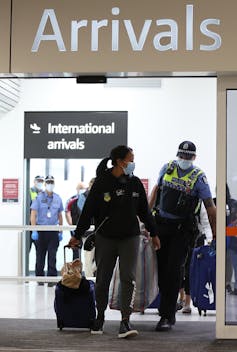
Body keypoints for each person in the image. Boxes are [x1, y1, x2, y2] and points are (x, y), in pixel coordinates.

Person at [68, 145, 160, 338]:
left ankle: (125, 321)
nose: (133, 163)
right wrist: (77, 234)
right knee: (103, 279)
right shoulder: (102, 182)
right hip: (106, 238)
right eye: (131, 159)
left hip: (130, 238)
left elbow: (144, 211)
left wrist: (154, 232)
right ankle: (99, 317)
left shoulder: (135, 184)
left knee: (128, 278)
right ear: (120, 161)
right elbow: (88, 212)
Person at [149, 140, 216, 331]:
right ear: (178, 155)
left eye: (188, 156)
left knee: (173, 270)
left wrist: (216, 234)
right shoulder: (168, 168)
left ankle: (167, 316)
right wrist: (146, 219)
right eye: (182, 155)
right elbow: (156, 192)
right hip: (162, 227)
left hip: (182, 230)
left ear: (194, 157)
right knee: (161, 271)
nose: (184, 159)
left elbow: (210, 208)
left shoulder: (199, 177)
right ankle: (168, 308)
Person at [30, 175, 64, 286]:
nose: (50, 184)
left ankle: (51, 280)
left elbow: (60, 215)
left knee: (52, 255)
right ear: (45, 184)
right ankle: (39, 279)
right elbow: (33, 214)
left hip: (53, 231)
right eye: (48, 182)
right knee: (40, 256)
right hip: (41, 231)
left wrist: (60, 231)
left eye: (52, 182)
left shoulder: (58, 198)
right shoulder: (39, 197)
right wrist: (34, 230)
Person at [29, 175, 45, 252]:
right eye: (38, 181)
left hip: (39, 226)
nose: (40, 183)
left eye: (42, 181)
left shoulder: (44, 194)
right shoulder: (29, 192)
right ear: (34, 181)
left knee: (40, 252)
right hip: (29, 226)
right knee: (26, 249)